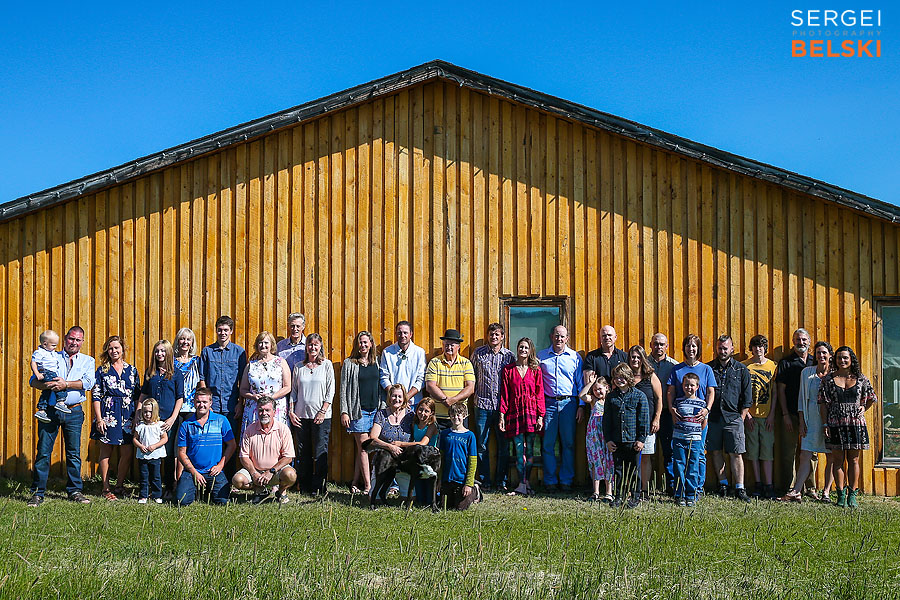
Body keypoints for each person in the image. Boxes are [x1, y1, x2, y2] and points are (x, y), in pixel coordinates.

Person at [28, 326, 95, 507]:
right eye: (71, 339)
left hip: (73, 411)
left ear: (82, 342)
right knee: (43, 452)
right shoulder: (51, 354)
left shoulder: (88, 361)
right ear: (65, 339)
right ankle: (37, 493)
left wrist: (66, 385)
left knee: (73, 454)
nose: (74, 342)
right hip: (50, 410)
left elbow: (88, 383)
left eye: (78, 340)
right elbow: (33, 381)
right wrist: (48, 385)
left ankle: (75, 491)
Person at [819, 346, 877, 508]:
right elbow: (822, 403)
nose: (842, 361)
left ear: (851, 359)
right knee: (837, 460)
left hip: (855, 423)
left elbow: (872, 397)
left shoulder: (861, 378)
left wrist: (863, 408)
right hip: (835, 422)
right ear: (834, 360)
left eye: (845, 357)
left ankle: (852, 495)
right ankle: (840, 494)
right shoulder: (828, 379)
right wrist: (825, 423)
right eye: (839, 358)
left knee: (854, 460)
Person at [779, 341, 835, 503]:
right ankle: (796, 491)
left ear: (830, 355)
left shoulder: (835, 374)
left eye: (824, 353)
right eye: (818, 353)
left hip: (830, 420)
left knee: (831, 455)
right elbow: (802, 399)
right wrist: (802, 422)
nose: (821, 356)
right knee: (805, 454)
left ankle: (826, 492)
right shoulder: (807, 373)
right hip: (811, 418)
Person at [91, 335, 141, 500]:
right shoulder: (102, 370)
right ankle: (105, 488)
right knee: (106, 451)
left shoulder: (132, 370)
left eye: (117, 348)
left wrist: (136, 416)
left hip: (128, 415)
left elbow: (137, 396)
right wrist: (99, 419)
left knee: (127, 451)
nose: (114, 351)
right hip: (108, 414)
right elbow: (96, 395)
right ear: (107, 350)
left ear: (122, 349)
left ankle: (119, 486)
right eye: (111, 348)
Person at [666, 335, 717, 495]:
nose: (691, 349)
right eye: (688, 346)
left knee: (698, 453)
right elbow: (670, 392)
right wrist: (671, 410)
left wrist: (707, 410)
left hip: (700, 418)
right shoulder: (677, 369)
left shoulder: (706, 369)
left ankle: (697, 488)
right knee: (680, 456)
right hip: (681, 419)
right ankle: (680, 489)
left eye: (694, 346)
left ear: (698, 348)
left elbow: (710, 392)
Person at [199, 315, 248, 476]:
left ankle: (229, 476)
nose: (222, 333)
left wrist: (240, 403)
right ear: (216, 331)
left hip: (231, 405)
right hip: (212, 407)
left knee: (230, 441)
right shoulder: (207, 351)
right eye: (220, 330)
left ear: (231, 331)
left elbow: (243, 381)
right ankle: (211, 476)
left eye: (226, 330)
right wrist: (207, 404)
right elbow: (202, 379)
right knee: (212, 442)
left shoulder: (239, 352)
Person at [706, 335, 752, 503]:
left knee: (736, 453)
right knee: (715, 451)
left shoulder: (741, 370)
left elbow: (747, 398)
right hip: (714, 417)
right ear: (716, 349)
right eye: (720, 348)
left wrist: (740, 417)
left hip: (734, 418)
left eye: (726, 348)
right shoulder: (709, 368)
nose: (723, 351)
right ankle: (723, 484)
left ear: (732, 349)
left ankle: (740, 487)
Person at [137, 340, 185, 499]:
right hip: (150, 421)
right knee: (149, 453)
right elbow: (143, 395)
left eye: (163, 351)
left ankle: (169, 487)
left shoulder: (176, 373)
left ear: (169, 353)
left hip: (166, 421)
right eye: (157, 351)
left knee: (169, 455)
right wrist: (138, 414)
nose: (159, 354)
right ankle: (148, 487)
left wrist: (172, 418)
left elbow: (180, 398)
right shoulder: (150, 372)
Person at [537, 326, 582, 492]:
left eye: (562, 336)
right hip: (548, 404)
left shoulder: (574, 357)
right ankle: (550, 481)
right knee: (547, 444)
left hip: (569, 404)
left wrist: (581, 406)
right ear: (551, 336)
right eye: (556, 336)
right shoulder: (541, 357)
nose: (559, 339)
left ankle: (566, 480)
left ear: (567, 338)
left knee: (568, 444)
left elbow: (580, 383)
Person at [471, 323, 515, 492]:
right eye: (491, 334)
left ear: (502, 336)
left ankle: (501, 481)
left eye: (497, 334)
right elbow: (471, 376)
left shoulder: (509, 356)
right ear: (487, 336)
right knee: (482, 444)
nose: (494, 337)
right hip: (482, 405)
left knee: (503, 445)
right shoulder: (478, 354)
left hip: (502, 408)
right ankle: (484, 480)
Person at [289, 332, 334, 496]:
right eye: (310, 344)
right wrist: (291, 411)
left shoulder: (327, 365)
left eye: (316, 344)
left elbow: (331, 391)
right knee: (303, 452)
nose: (312, 347)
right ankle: (305, 486)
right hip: (301, 416)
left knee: (320, 452)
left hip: (321, 417)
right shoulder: (299, 367)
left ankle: (319, 487)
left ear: (320, 346)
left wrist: (322, 411)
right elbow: (294, 392)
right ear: (306, 347)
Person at [175, 387, 237, 506]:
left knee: (223, 502)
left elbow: (232, 445)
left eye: (204, 402)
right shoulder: (186, 425)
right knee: (181, 501)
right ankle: (196, 489)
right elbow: (181, 452)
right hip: (192, 471)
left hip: (214, 470)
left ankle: (207, 489)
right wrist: (194, 472)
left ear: (210, 403)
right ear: (194, 402)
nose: (201, 405)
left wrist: (220, 465)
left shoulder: (221, 420)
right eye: (198, 402)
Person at [500, 337, 545, 497]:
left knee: (531, 450)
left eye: (526, 347)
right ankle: (521, 484)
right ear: (517, 349)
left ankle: (527, 483)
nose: (523, 350)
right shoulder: (508, 369)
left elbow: (540, 393)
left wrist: (541, 416)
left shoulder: (536, 370)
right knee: (519, 450)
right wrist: (502, 415)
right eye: (520, 347)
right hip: (515, 412)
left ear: (530, 350)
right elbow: (505, 395)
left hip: (532, 412)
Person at [340, 330, 383, 495]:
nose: (363, 345)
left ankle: (355, 482)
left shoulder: (377, 362)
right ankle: (368, 487)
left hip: (375, 411)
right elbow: (344, 390)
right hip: (358, 412)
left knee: (362, 449)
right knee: (364, 448)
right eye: (360, 342)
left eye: (366, 342)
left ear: (371, 344)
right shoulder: (350, 363)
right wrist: (344, 412)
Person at [233, 397, 297, 504]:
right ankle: (260, 490)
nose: (264, 413)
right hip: (256, 471)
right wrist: (254, 473)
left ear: (274, 412)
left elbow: (288, 457)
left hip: (275, 471)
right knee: (237, 480)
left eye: (267, 410)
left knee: (290, 475)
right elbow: (244, 456)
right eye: (261, 410)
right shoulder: (249, 429)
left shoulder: (283, 429)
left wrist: (271, 471)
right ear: (257, 411)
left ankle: (281, 491)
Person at [774, 328, 815, 495]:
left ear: (809, 342)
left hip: (811, 415)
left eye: (804, 339)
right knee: (789, 451)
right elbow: (781, 391)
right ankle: (791, 487)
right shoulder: (786, 363)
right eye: (798, 340)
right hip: (790, 413)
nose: (801, 343)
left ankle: (810, 487)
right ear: (793, 342)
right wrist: (784, 415)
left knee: (811, 451)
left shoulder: (815, 361)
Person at [603, 363, 650, 509]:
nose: (619, 380)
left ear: (628, 377)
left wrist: (641, 439)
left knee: (634, 470)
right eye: (616, 377)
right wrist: (608, 439)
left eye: (622, 377)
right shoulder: (611, 397)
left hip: (633, 441)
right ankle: (619, 496)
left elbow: (644, 419)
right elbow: (607, 421)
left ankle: (635, 497)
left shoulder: (639, 396)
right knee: (618, 470)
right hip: (617, 440)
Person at [742, 335, 778, 499]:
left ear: (765, 348)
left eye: (761, 346)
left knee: (767, 452)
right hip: (751, 416)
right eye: (755, 346)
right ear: (751, 348)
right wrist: (747, 414)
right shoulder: (744, 366)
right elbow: (741, 394)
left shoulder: (773, 366)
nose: (758, 349)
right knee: (753, 451)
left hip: (766, 416)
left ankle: (768, 485)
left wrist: (771, 414)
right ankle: (757, 483)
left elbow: (775, 392)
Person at [367, 384, 417, 501]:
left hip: (404, 460)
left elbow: (418, 438)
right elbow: (373, 438)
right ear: (389, 397)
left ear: (404, 398)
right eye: (394, 396)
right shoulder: (382, 414)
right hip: (384, 460)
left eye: (400, 396)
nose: (397, 399)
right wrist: (390, 447)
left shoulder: (411, 415)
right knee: (375, 498)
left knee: (411, 498)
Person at [627, 345, 663, 500]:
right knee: (629, 457)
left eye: (638, 357)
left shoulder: (650, 376)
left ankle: (643, 490)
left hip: (647, 424)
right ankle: (629, 489)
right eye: (633, 357)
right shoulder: (625, 376)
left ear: (643, 358)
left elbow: (659, 399)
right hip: (628, 424)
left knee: (646, 457)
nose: (635, 360)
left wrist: (657, 418)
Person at [239, 331, 291, 437]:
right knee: (254, 440)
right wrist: (253, 396)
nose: (263, 345)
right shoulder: (251, 365)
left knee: (276, 439)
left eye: (266, 342)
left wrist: (271, 398)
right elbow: (243, 389)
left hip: (276, 407)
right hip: (254, 408)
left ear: (271, 345)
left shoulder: (281, 362)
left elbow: (287, 387)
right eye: (260, 343)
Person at [424, 328, 476, 431]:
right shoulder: (434, 362)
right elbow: (430, 386)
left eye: (452, 345)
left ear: (458, 347)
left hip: (459, 416)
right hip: (439, 416)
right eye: (446, 344)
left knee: (458, 445)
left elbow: (470, 388)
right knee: (438, 446)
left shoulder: (466, 363)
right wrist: (444, 400)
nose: (449, 347)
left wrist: (453, 400)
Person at [648, 333, 679, 495]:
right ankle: (644, 486)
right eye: (656, 344)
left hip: (667, 414)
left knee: (669, 451)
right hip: (647, 414)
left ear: (667, 346)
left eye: (662, 344)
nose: (658, 347)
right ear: (650, 344)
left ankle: (671, 486)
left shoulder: (674, 366)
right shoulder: (643, 364)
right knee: (646, 451)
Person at [671, 373, 706, 507]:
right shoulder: (678, 402)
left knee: (692, 467)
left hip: (695, 440)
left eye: (692, 385)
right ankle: (680, 494)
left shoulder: (702, 404)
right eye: (686, 385)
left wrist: (696, 434)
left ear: (697, 386)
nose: (689, 387)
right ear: (682, 386)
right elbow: (675, 419)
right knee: (679, 465)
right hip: (679, 438)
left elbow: (704, 423)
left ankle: (691, 494)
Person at [439, 402, 480, 510]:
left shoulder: (470, 436)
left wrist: (469, 483)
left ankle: (475, 490)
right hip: (447, 478)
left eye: (459, 415)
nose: (456, 417)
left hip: (462, 479)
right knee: (444, 506)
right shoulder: (445, 434)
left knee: (460, 508)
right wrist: (439, 480)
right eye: (453, 415)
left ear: (464, 416)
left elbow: (473, 461)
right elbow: (441, 459)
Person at [580, 373, 614, 502]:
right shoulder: (594, 401)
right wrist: (590, 384)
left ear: (607, 388)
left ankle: (609, 492)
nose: (597, 391)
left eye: (600, 388)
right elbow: (582, 396)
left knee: (608, 462)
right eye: (595, 389)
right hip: (594, 436)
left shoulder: (611, 400)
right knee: (595, 461)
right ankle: (596, 492)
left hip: (606, 435)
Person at [173, 327, 201, 481]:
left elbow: (202, 383)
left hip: (192, 408)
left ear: (192, 343)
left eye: (188, 339)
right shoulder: (172, 361)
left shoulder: (197, 361)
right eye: (182, 339)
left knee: (190, 446)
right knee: (176, 447)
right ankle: (175, 483)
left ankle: (189, 481)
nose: (185, 342)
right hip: (175, 410)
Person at [379, 320, 427, 408]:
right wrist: (396, 397)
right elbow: (384, 377)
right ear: (396, 334)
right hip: (392, 403)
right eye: (399, 333)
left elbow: (421, 379)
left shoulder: (419, 352)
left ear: (411, 334)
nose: (402, 336)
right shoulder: (387, 352)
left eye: (405, 333)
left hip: (413, 403)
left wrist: (406, 398)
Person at [133, 398, 167, 504]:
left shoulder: (159, 425)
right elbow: (134, 439)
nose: (148, 414)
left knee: (156, 476)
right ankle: (143, 495)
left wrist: (155, 446)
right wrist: (140, 446)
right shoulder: (140, 426)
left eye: (150, 412)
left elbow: (165, 439)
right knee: (144, 476)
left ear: (155, 412)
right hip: (143, 456)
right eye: (145, 412)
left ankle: (157, 495)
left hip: (155, 455)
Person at [32, 329, 69, 422]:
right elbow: (33, 363)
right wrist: (37, 374)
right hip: (46, 372)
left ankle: (41, 410)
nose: (55, 347)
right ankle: (60, 401)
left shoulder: (52, 352)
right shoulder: (40, 352)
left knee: (47, 392)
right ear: (44, 344)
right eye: (53, 345)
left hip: (52, 372)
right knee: (59, 384)